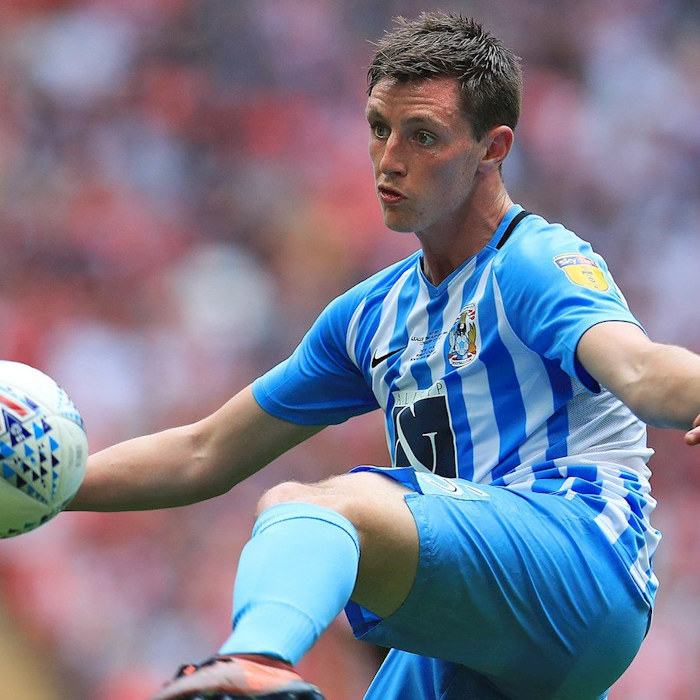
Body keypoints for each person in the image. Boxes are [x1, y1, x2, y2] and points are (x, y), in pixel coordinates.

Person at [68, 12, 700, 700]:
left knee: (314, 505)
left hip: (580, 565)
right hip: (487, 622)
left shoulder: (533, 262)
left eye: (422, 135)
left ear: (492, 149)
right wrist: (49, 491)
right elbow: (204, 451)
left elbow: (640, 370)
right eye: (378, 128)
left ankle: (254, 665)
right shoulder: (368, 316)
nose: (389, 159)